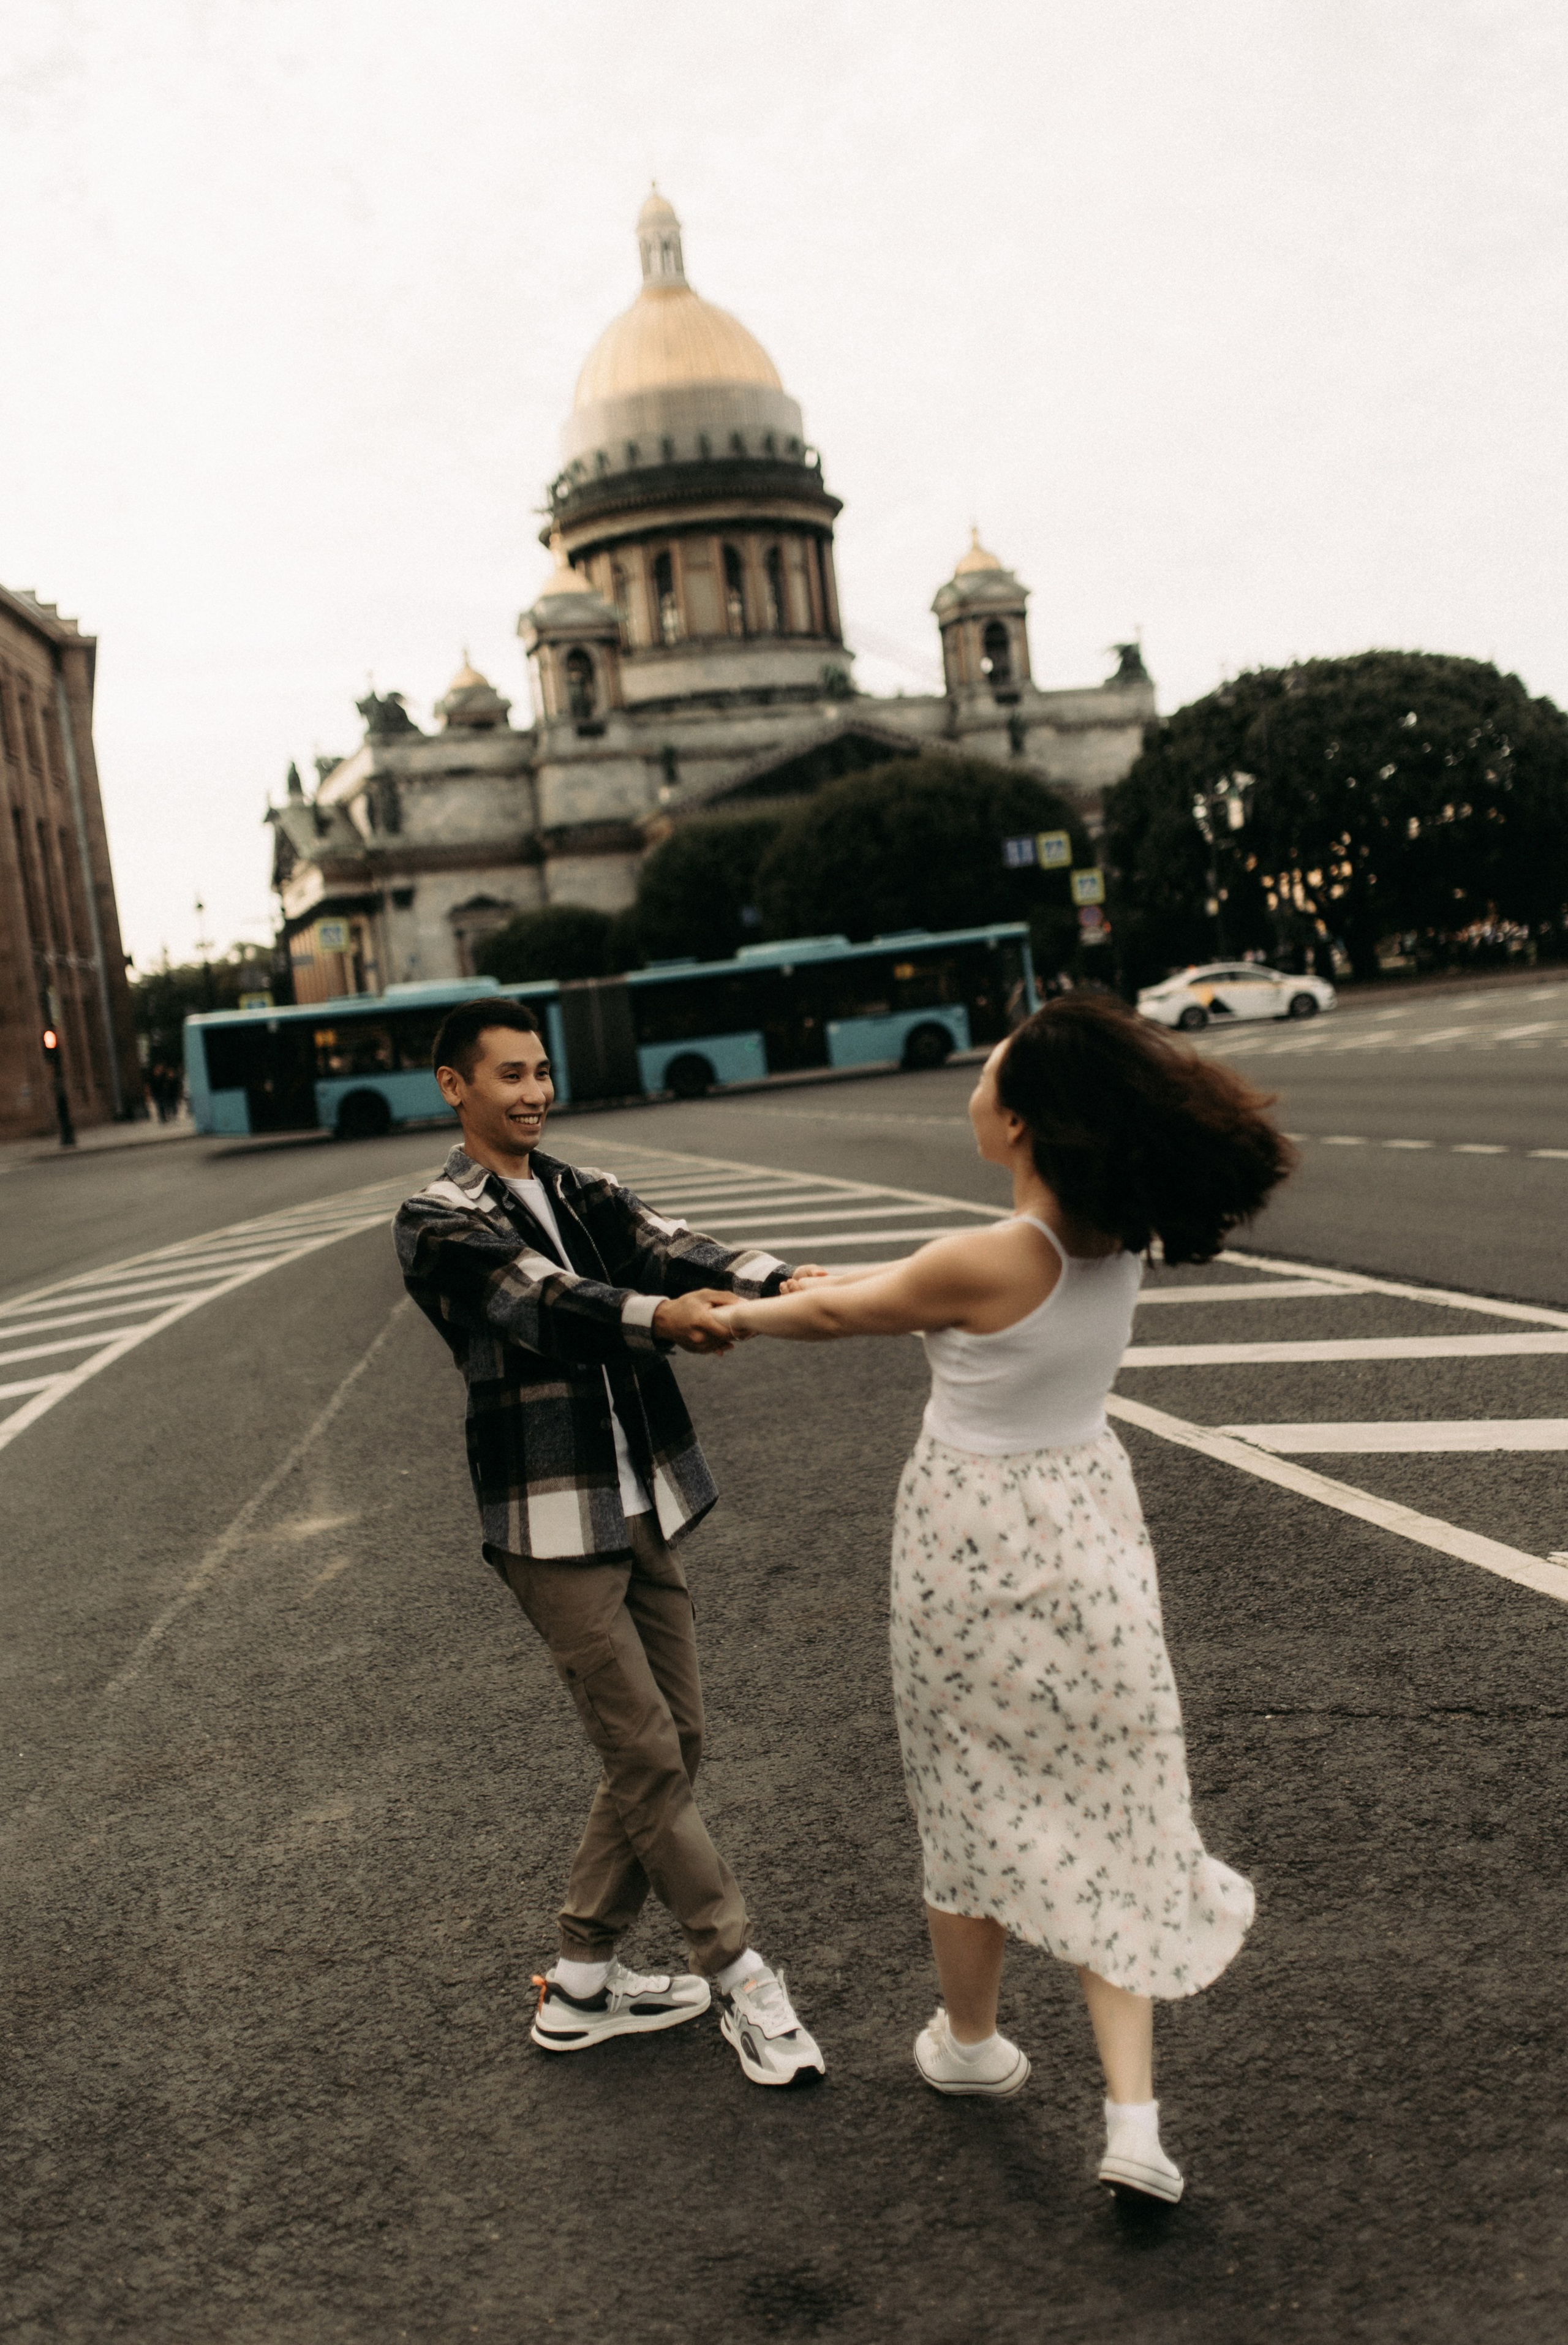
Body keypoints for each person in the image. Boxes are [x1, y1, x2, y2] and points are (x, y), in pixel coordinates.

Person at [714, 995, 1294, 2197]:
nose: (969, 1094)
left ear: (1021, 1121)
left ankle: (969, 2046)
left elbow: (838, 1315)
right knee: (1113, 1812)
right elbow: (917, 1287)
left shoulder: (994, 1255)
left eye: (983, 1081)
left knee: (965, 1785)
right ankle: (1131, 2123)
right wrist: (843, 1281)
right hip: (1088, 1528)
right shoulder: (1107, 1236)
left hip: (966, 1538)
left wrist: (729, 1315)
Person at [393, 998, 824, 2089]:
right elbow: (546, 1303)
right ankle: (738, 1976)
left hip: (635, 1495)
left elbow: (668, 1245)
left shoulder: (580, 1188)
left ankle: (582, 1984)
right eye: (508, 1076)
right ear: (456, 1088)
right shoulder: (437, 1215)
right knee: (643, 1755)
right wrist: (663, 1318)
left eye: (541, 1072)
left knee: (673, 1743)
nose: (534, 1093)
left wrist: (776, 1278)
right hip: (548, 1517)